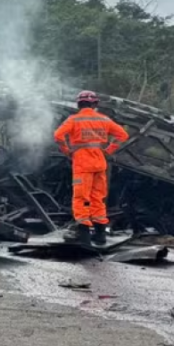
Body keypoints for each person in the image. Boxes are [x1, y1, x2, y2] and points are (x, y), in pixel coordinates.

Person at [53, 91, 129, 245]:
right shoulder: (103, 119)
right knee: (97, 198)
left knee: (81, 198)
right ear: (95, 104)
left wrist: (67, 151)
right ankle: (100, 236)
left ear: (78, 104)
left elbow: (58, 136)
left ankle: (84, 237)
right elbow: (123, 135)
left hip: (82, 164)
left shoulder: (74, 119)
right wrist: (108, 150)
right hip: (99, 163)